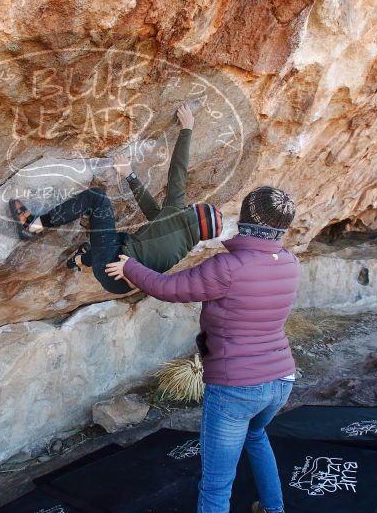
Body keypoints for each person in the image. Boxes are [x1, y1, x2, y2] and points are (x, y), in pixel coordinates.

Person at [106, 186, 300, 513]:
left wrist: (130, 268)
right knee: (256, 436)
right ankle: (273, 509)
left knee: (216, 484)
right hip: (281, 379)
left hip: (235, 386)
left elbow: (170, 288)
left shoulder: (229, 266)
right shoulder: (291, 263)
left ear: (246, 218)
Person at [8, 104, 222, 294]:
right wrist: (129, 175)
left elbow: (178, 171)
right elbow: (152, 213)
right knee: (121, 239)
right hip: (119, 283)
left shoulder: (178, 213)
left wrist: (187, 128)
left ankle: (33, 225)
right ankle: (80, 259)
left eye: (195, 207)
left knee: (97, 198)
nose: (190, 206)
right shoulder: (181, 246)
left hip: (114, 264)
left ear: (196, 213)